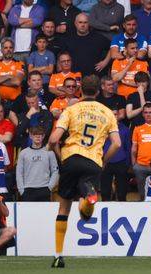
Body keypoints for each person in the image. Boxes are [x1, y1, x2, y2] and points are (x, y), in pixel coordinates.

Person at [48, 75, 120, 268]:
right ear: (97, 91)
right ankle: (87, 197)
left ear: (81, 90)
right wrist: (103, 161)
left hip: (71, 158)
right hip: (93, 161)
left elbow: (54, 139)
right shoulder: (107, 113)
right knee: (86, 196)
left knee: (63, 209)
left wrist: (60, 155)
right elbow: (117, 144)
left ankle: (58, 255)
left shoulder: (71, 109)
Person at [16, 126, 58, 201]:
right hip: (27, 190)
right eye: (35, 134)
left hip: (44, 189)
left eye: (40, 135)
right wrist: (21, 190)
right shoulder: (23, 153)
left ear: (43, 136)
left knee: (44, 213)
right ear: (30, 136)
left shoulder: (50, 152)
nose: (38, 137)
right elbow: (19, 172)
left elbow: (55, 171)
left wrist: (50, 187)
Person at [101, 120, 131, 201]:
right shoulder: (102, 127)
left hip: (121, 161)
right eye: (112, 114)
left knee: (122, 191)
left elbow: (128, 147)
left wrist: (127, 163)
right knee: (105, 191)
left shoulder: (125, 129)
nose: (114, 116)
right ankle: (105, 207)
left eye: (116, 114)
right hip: (105, 162)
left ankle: (122, 209)